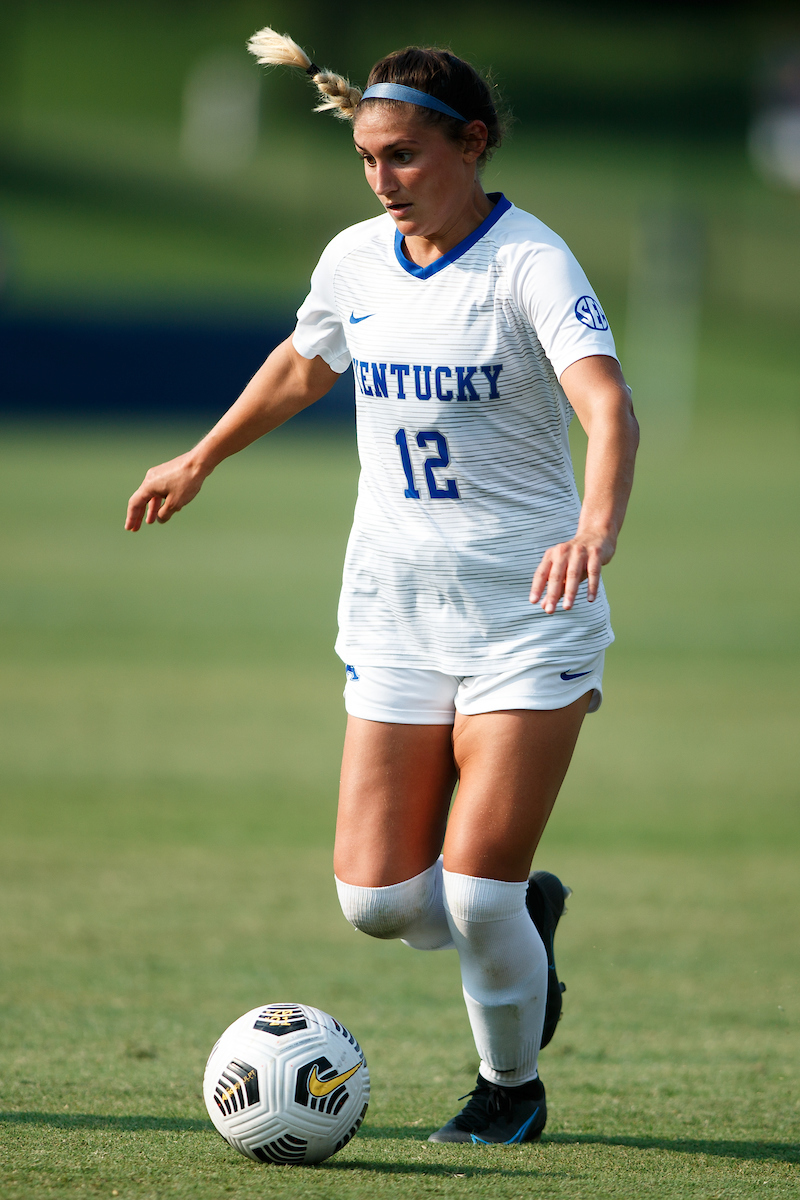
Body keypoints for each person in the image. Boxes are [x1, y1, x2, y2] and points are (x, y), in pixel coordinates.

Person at [126, 28, 639, 1146]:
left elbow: (606, 405)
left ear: (471, 143)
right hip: (393, 615)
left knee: (472, 896)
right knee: (378, 905)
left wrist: (595, 525)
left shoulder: (530, 263)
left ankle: (509, 1090)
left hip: (526, 617)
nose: (382, 180)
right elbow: (305, 362)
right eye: (367, 158)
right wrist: (199, 456)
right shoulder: (356, 257)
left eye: (403, 156)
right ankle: (527, 925)